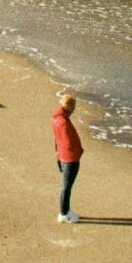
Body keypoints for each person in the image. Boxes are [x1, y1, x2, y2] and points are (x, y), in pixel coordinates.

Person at [53, 92, 84, 221]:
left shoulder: (56, 118)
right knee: (66, 186)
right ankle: (64, 213)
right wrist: (78, 151)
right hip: (69, 158)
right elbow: (68, 143)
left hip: (62, 156)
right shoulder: (63, 122)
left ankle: (66, 210)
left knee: (66, 185)